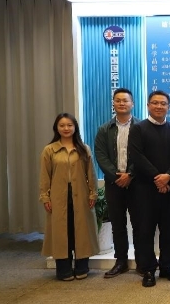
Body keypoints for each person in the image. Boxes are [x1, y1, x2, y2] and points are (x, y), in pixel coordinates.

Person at [129, 90, 170, 288]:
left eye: (163, 103)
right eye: (155, 103)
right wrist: (157, 178)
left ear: (168, 106)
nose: (159, 106)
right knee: (145, 231)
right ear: (148, 106)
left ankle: (167, 267)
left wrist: (168, 176)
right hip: (144, 189)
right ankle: (148, 270)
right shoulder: (138, 129)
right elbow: (137, 156)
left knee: (169, 231)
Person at [39, 113, 99, 281]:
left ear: (75, 127)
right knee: (61, 232)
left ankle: (82, 266)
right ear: (56, 128)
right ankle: (63, 269)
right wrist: (45, 197)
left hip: (81, 195)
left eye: (69, 125)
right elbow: (44, 176)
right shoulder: (49, 150)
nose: (66, 128)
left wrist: (93, 193)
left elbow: (91, 174)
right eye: (62, 125)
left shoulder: (83, 149)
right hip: (58, 197)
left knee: (81, 231)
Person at [94, 88, 140, 278]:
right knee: (118, 224)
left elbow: (144, 154)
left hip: (137, 184)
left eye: (125, 100)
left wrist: (130, 174)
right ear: (113, 103)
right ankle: (121, 262)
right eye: (118, 100)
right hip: (114, 185)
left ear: (132, 104)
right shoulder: (104, 129)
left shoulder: (141, 127)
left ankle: (141, 261)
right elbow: (101, 155)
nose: (122, 103)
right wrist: (116, 176)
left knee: (139, 224)